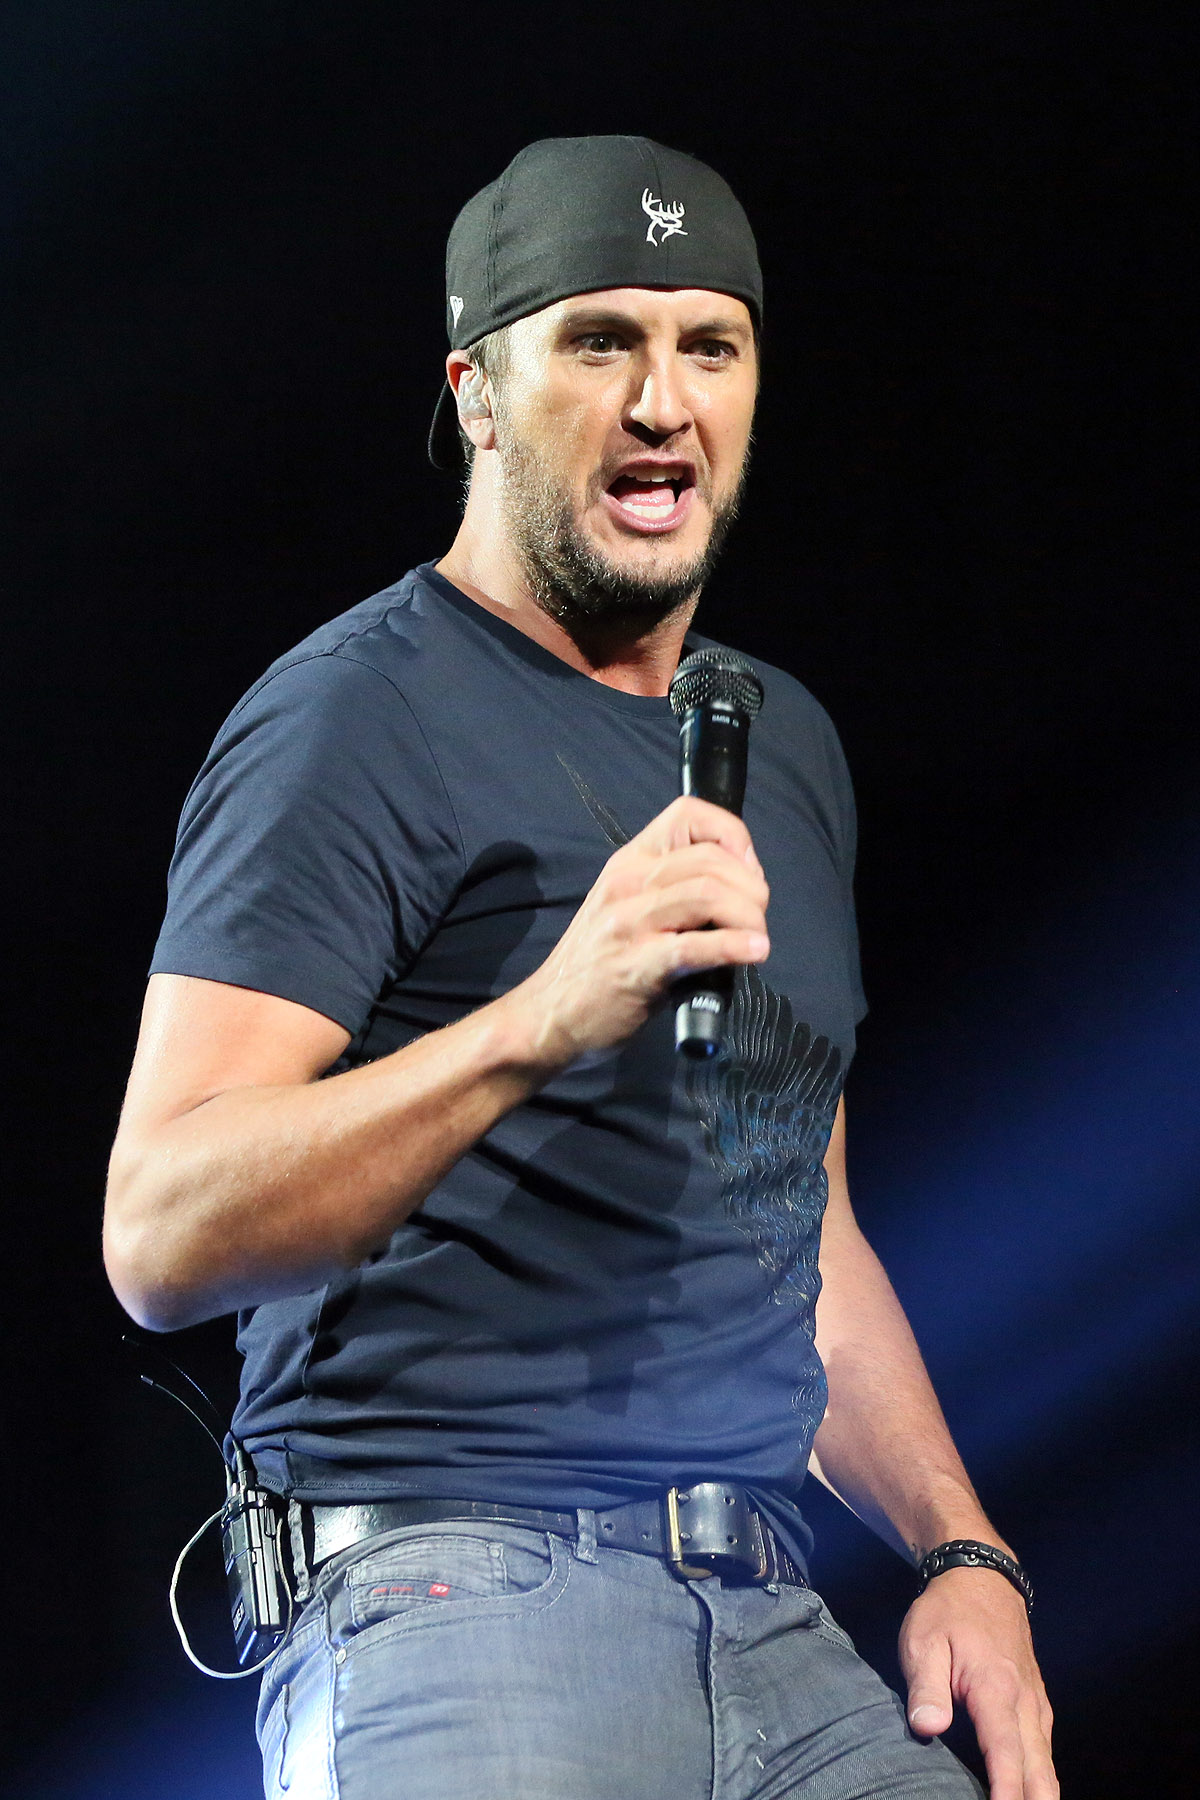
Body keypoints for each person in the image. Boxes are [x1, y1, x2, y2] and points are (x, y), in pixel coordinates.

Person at [104, 137, 1057, 1800]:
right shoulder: (354, 716)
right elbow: (161, 1232)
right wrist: (544, 1015)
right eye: (601, 342)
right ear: (477, 394)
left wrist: (963, 1550)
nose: (662, 403)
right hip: (459, 1601)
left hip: (773, 1621)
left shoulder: (778, 743)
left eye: (710, 346)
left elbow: (800, 1222)